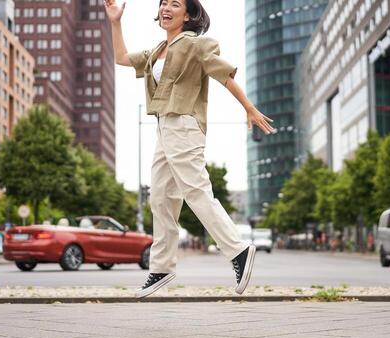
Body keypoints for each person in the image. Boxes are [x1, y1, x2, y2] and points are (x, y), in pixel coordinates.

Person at [105, 0, 275, 298]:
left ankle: (239, 250)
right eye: (163, 3)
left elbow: (225, 75)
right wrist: (115, 21)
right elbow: (120, 57)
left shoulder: (197, 44)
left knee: (195, 190)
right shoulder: (156, 52)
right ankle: (162, 267)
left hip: (184, 124)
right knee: (160, 197)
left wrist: (249, 108)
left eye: (175, 3)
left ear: (188, 15)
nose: (166, 8)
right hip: (163, 127)